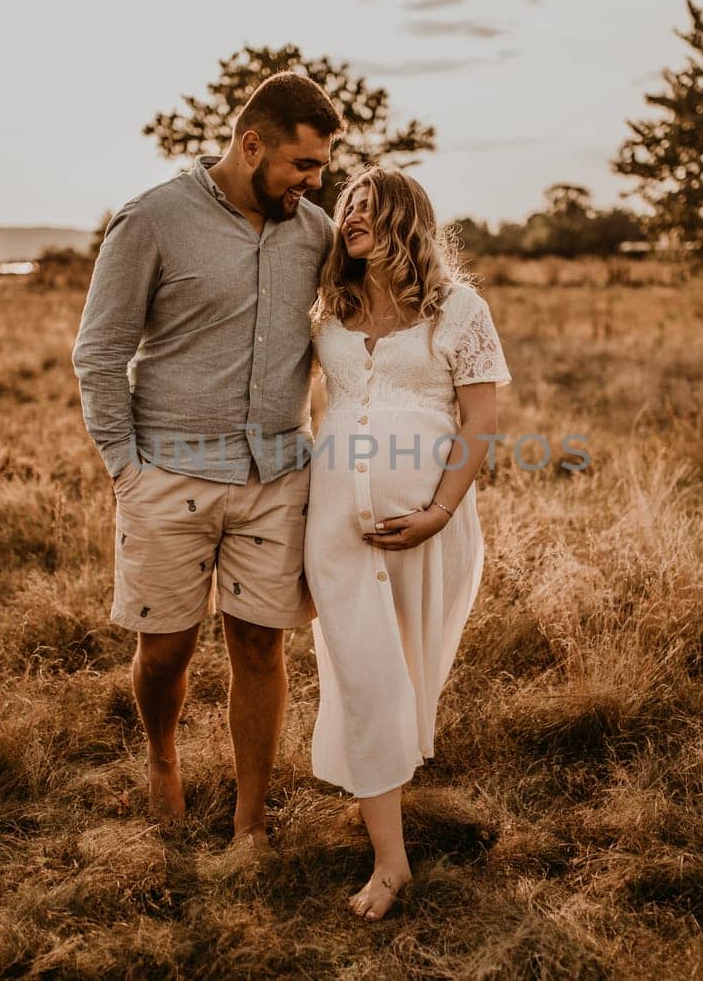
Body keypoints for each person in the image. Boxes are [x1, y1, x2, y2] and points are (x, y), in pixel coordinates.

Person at [71, 73, 343, 848]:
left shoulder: (315, 233)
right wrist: (125, 467)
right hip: (169, 474)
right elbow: (100, 353)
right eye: (302, 164)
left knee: (260, 644)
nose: (314, 182)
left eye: (321, 168)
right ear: (250, 144)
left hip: (277, 475)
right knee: (166, 649)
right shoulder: (153, 220)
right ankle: (161, 756)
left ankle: (250, 817)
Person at [304, 166, 511, 919]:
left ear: (405, 218)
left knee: (407, 677)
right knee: (366, 677)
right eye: (346, 205)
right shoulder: (328, 313)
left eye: (367, 205)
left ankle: (386, 796)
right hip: (336, 528)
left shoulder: (458, 310)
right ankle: (392, 865)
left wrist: (439, 511)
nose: (350, 215)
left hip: (431, 529)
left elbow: (480, 421)